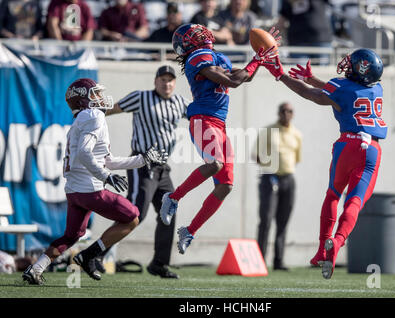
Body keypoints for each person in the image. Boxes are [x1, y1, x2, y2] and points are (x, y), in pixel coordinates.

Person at [22, 78, 167, 285]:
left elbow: (107, 160)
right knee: (132, 216)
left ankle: (36, 269)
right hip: (89, 189)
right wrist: (105, 176)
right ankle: (89, 255)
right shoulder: (93, 115)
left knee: (71, 236)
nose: (100, 98)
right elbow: (84, 153)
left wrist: (142, 159)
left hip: (74, 192)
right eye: (95, 94)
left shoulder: (82, 119)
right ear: (83, 100)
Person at [263, 48, 387, 279]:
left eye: (352, 64)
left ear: (361, 69)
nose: (347, 65)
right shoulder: (376, 88)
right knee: (355, 202)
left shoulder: (342, 86)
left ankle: (322, 249)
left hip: (346, 145)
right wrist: (312, 78)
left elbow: (312, 94)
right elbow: (341, 92)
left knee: (333, 195)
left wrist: (281, 75)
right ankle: (337, 243)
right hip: (371, 150)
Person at [159, 23, 279, 255]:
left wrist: (261, 58)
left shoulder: (214, 57)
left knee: (225, 186)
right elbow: (234, 81)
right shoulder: (197, 57)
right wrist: (256, 59)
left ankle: (189, 230)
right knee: (214, 164)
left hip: (219, 124)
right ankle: (173, 198)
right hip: (203, 118)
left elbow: (245, 77)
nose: (197, 35)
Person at [104, 65, 190, 279]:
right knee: (135, 214)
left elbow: (199, 115)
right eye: (163, 79)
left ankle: (159, 263)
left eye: (170, 80)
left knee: (168, 212)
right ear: (155, 81)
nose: (166, 83)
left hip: (163, 168)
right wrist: (89, 115)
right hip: (142, 164)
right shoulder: (141, 98)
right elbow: (113, 109)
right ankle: (97, 253)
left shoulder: (179, 102)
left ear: (175, 83)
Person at [254, 102, 302, 271]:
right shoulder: (268, 131)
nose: (286, 114)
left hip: (288, 179)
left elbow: (296, 159)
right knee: (266, 220)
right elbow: (256, 156)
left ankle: (278, 261)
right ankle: (259, 260)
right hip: (270, 178)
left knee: (283, 221)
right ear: (279, 113)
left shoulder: (296, 134)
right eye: (283, 111)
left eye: (290, 111)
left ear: (293, 114)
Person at [276, 0, 333, 64]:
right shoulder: (286, 2)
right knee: (300, 72)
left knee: (322, 72)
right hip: (298, 41)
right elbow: (281, 22)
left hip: (320, 39)